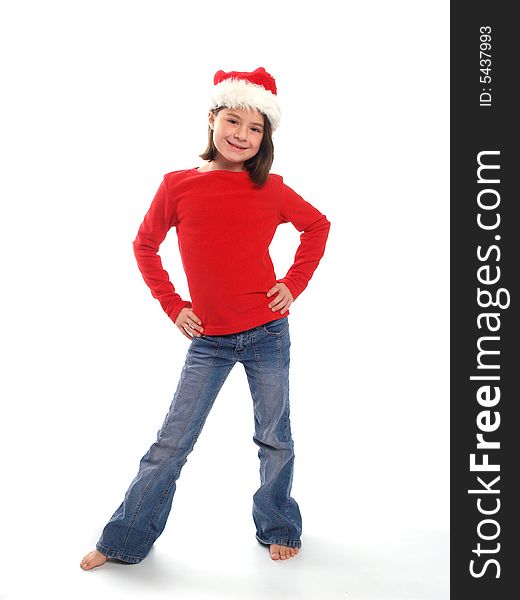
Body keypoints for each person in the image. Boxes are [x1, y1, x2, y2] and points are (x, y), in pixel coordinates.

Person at [80, 67, 331, 570]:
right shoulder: (178, 186)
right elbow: (145, 245)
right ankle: (125, 538)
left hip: (267, 333)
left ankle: (278, 524)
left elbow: (318, 226)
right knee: (171, 441)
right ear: (212, 119)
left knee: (274, 436)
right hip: (210, 339)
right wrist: (174, 305)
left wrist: (293, 283)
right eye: (233, 121)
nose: (242, 135)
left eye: (255, 128)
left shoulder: (273, 189)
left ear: (266, 137)